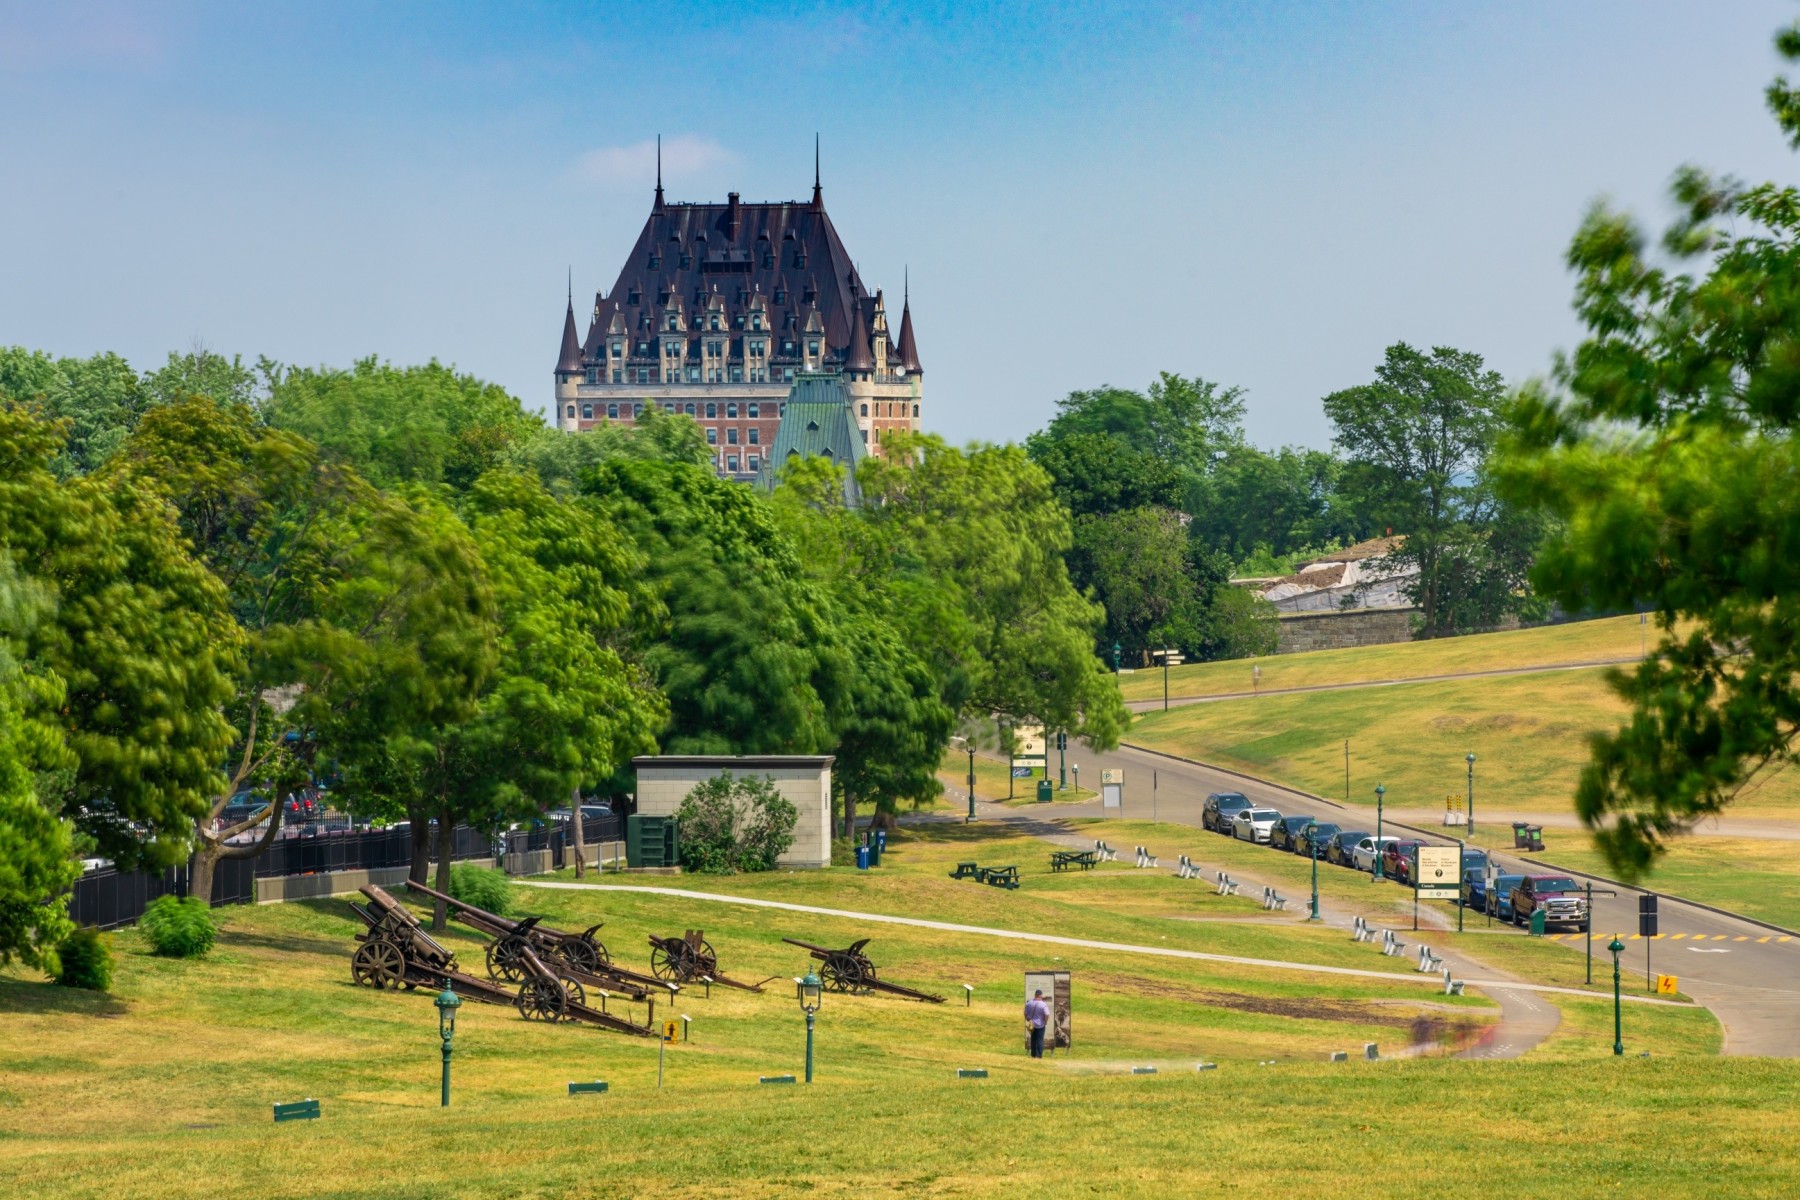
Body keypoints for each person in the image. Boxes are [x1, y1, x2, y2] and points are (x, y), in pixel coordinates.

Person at [1024, 989, 1050, 1058]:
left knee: (1033, 1039)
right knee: (1040, 1040)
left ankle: (1033, 1054)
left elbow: (1025, 1012)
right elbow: (1047, 1014)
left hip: (1032, 1025)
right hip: (1040, 1025)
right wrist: (1045, 1021)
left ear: (1035, 995)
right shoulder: (1043, 1004)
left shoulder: (1029, 1003)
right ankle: (1039, 1055)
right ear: (1041, 995)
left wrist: (1027, 1019)